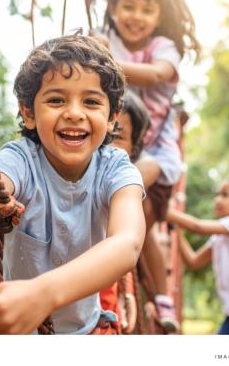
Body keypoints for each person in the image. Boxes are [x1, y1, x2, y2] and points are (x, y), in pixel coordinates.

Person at [0, 35, 146, 334]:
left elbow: (128, 243)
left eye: (91, 101)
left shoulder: (116, 168)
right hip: (19, 333)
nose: (73, 112)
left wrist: (43, 294)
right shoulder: (21, 157)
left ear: (112, 117)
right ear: (29, 113)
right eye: (56, 100)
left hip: (84, 331)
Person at [90, 0, 200, 331]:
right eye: (129, 6)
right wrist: (90, 48)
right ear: (114, 7)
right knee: (139, 224)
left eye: (147, 10)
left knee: (130, 187)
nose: (137, 16)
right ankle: (162, 299)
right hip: (116, 141)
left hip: (154, 148)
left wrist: (104, 61)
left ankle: (154, 295)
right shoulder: (102, 37)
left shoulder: (162, 46)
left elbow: (155, 75)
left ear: (159, 16)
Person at [167, 178, 229, 334]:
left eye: (225, 195)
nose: (217, 199)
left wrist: (164, 211)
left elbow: (197, 226)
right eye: (217, 195)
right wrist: (177, 231)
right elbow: (194, 261)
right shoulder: (218, 237)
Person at [99, 90, 151, 334]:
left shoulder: (122, 185)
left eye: (116, 136)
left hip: (101, 315)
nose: (103, 141)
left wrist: (127, 291)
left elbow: (126, 241)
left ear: (134, 148)